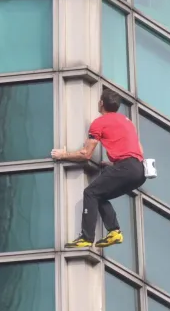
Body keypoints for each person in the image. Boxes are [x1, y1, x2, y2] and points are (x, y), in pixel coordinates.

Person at [51, 87, 146, 248]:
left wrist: (63, 155)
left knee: (90, 192)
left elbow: (85, 154)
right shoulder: (127, 122)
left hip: (126, 168)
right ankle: (114, 232)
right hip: (139, 171)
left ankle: (86, 238)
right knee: (99, 195)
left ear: (101, 103)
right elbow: (139, 151)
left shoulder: (99, 123)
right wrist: (116, 164)